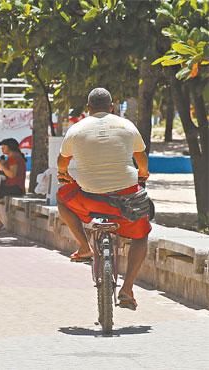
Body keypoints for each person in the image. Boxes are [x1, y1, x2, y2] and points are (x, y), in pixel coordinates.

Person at [57, 87, 151, 311]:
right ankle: (127, 289)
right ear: (112, 107)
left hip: (91, 198)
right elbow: (141, 158)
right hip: (126, 197)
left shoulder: (76, 129)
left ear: (88, 109)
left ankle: (84, 246)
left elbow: (62, 162)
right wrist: (143, 174)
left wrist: (64, 174)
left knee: (62, 199)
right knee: (141, 236)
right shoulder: (127, 125)